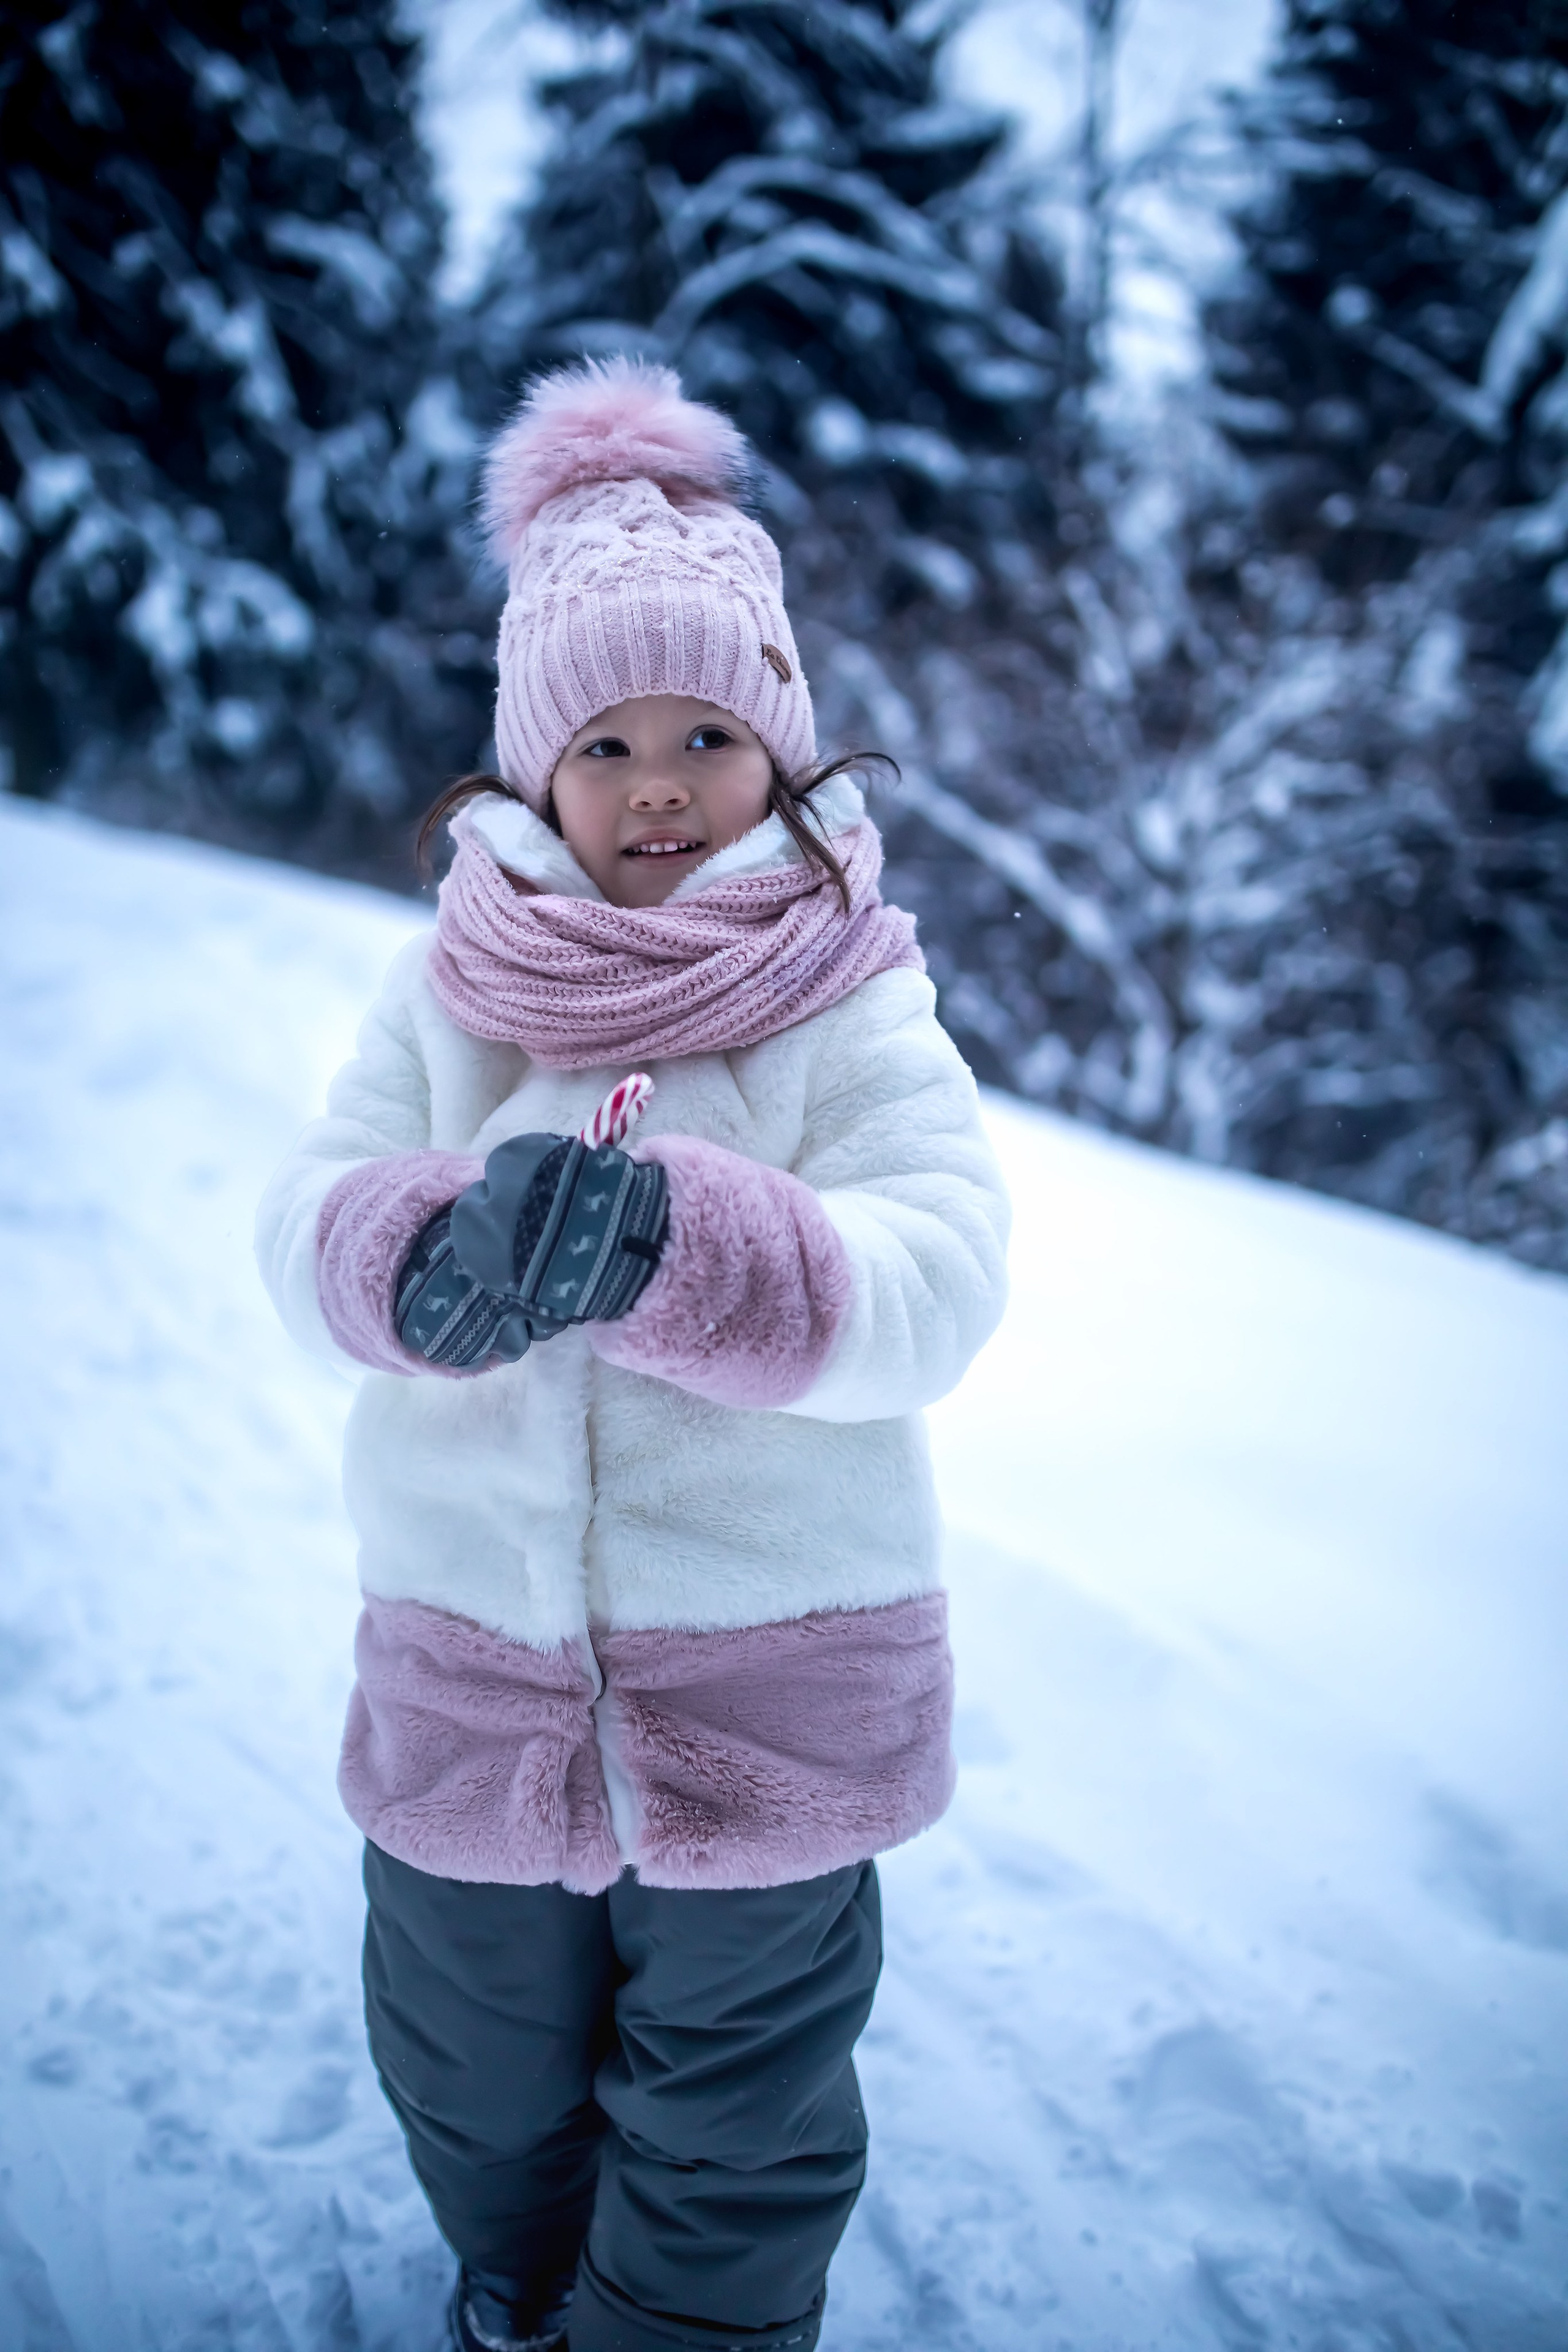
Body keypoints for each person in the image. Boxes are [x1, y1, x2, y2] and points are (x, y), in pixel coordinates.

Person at [256, 358, 1010, 2352]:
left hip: (773, 1689)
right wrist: (409, 1263)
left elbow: (941, 1273)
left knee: (738, 2118)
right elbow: (308, 1206)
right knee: (471, 2066)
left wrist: (703, 1249)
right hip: (469, 1674)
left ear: (780, 750)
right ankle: (519, 2292)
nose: (659, 781)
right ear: (528, 775)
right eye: (604, 742)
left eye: (706, 732)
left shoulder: (846, 1001)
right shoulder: (448, 992)